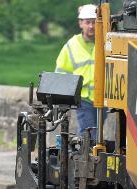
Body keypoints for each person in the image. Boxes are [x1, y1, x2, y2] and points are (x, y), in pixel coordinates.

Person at [56, 4, 98, 137]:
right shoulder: (72, 45)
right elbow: (61, 72)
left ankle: (84, 154)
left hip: (103, 98)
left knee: (95, 136)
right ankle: (85, 155)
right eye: (87, 22)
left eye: (94, 22)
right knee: (89, 133)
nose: (91, 26)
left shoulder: (107, 43)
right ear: (81, 24)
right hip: (83, 98)